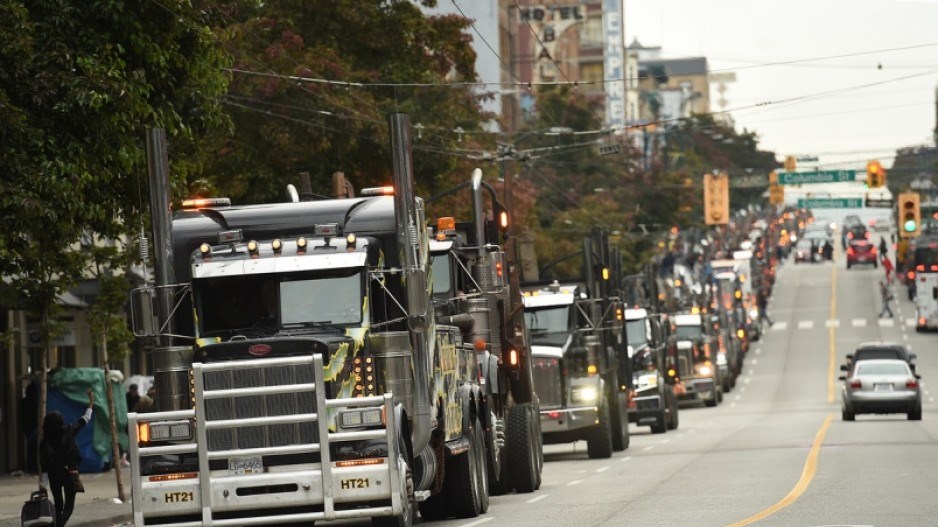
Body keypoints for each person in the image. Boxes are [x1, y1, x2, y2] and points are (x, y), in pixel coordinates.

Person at [40, 390, 94, 527]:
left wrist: (43, 483)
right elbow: (85, 419)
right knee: (68, 508)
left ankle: (57, 524)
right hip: (70, 472)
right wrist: (91, 402)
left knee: (58, 505)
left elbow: (43, 462)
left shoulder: (45, 440)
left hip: (53, 475)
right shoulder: (70, 430)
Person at [20, 381, 40, 474]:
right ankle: (34, 467)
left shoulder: (24, 402)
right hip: (33, 427)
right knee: (35, 447)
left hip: (28, 428)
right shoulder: (35, 402)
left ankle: (32, 467)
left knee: (32, 448)